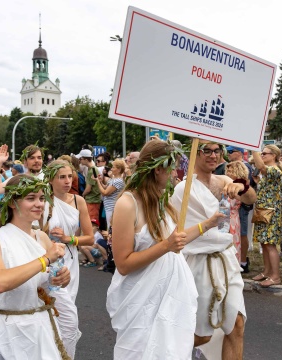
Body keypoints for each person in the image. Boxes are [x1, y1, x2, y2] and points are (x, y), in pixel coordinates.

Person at [108, 139, 223, 360]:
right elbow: (123, 264)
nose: (176, 175)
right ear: (159, 168)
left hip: (170, 297)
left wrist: (206, 224)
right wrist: (165, 246)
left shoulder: (163, 199)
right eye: (174, 168)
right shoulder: (127, 204)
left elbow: (175, 239)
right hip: (141, 300)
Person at [170, 141, 257, 359]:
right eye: (206, 151)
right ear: (195, 154)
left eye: (217, 151)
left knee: (236, 324)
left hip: (226, 259)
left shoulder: (225, 180)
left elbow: (251, 198)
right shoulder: (184, 188)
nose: (213, 155)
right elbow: (175, 229)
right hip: (198, 261)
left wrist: (242, 188)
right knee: (202, 334)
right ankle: (164, 346)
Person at [0, 175, 71, 359]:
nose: (39, 204)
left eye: (42, 198)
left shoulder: (41, 237)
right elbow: (0, 282)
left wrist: (62, 278)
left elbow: (51, 284)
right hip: (7, 328)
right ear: (12, 202)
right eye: (31, 198)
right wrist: (44, 260)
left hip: (41, 326)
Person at [43, 160, 94, 358]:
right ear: (51, 179)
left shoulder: (77, 200)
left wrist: (68, 238)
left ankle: (63, 351)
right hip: (50, 260)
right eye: (61, 177)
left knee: (68, 308)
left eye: (69, 177)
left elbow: (89, 237)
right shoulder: (43, 200)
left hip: (71, 261)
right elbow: (35, 231)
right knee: (55, 310)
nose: (67, 181)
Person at [251, 145, 282, 287]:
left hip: (271, 212)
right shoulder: (267, 172)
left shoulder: (275, 169)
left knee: (270, 244)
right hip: (263, 210)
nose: (262, 155)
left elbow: (261, 167)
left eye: (264, 153)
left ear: (274, 156)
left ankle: (275, 276)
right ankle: (267, 272)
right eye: (261, 153)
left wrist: (252, 148)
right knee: (263, 243)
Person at [224, 161, 249, 265]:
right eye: (228, 171)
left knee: (233, 243)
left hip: (233, 218)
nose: (228, 173)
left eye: (231, 171)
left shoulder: (240, 186)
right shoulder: (226, 184)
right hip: (225, 217)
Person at [93, 159, 126, 225]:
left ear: (119, 170)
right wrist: (99, 181)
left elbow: (105, 192)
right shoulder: (114, 179)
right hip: (109, 207)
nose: (111, 169)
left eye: (113, 167)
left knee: (111, 226)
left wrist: (97, 181)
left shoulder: (118, 181)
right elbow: (106, 187)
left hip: (112, 207)